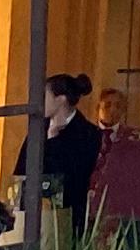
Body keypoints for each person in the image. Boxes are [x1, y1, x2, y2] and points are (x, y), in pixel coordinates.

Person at [33, 74, 105, 223]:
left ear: (61, 99)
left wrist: (54, 140)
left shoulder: (88, 134)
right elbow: (23, 165)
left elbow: (75, 175)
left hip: (69, 214)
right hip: (33, 210)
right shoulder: (37, 127)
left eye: (45, 96)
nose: (40, 101)